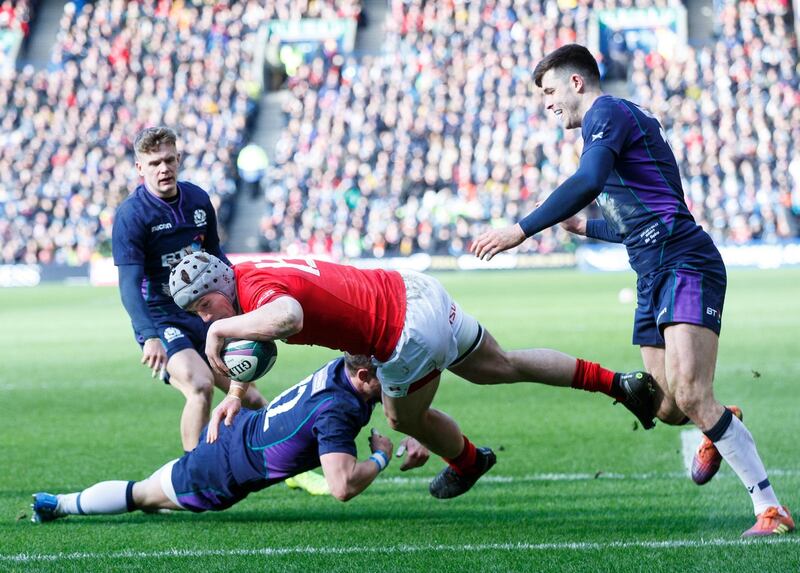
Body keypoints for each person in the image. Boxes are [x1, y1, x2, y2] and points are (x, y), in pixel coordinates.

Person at [471, 44, 793, 537]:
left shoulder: (608, 112)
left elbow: (588, 179)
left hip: (682, 259)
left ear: (577, 82)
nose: (548, 104)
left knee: (689, 391)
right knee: (666, 407)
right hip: (650, 269)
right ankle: (721, 419)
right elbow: (630, 223)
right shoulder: (617, 122)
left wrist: (521, 229)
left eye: (551, 91)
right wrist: (586, 229)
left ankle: (770, 509)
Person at [167, 251, 656, 500]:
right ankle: (617, 383)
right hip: (415, 291)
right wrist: (235, 389)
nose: (208, 320)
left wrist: (220, 332)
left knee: (404, 421)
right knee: (501, 365)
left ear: (218, 286)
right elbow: (266, 329)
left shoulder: (252, 291)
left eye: (206, 308)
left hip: (402, 334)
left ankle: (467, 462)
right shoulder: (248, 271)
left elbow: (288, 316)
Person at [31, 354, 429, 523]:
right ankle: (59, 505)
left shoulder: (341, 372)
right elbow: (341, 487)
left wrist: (410, 429)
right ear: (363, 377)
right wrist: (380, 456)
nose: (397, 383)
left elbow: (380, 402)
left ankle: (156, 500)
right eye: (388, 376)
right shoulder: (339, 410)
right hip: (222, 469)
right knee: (141, 494)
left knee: (157, 494)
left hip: (237, 441)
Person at [112, 126, 268, 453]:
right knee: (200, 385)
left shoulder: (197, 200)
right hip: (163, 321)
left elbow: (216, 255)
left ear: (179, 159)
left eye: (169, 160)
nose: (163, 168)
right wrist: (148, 335)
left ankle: (284, 464)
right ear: (140, 168)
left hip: (205, 315)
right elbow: (128, 284)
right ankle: (191, 477)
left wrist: (239, 300)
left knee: (251, 396)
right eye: (154, 163)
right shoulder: (131, 215)